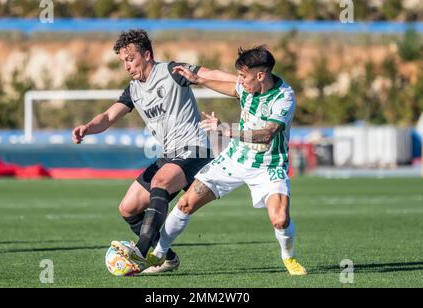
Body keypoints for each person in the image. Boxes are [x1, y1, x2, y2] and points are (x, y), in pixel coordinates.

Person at [123, 45, 307, 276]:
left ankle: (288, 258)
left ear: (261, 76)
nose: (239, 81)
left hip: (268, 165)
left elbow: (267, 134)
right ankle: (158, 254)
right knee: (185, 204)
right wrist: (198, 80)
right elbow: (232, 89)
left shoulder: (284, 97)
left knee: (280, 219)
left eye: (243, 76)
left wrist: (226, 130)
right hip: (233, 160)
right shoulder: (248, 87)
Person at [71, 29, 236, 275]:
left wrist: (242, 82)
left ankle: (141, 251)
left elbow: (209, 73)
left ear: (147, 55)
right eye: (123, 61)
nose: (127, 66)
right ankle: (167, 258)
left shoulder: (171, 71)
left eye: (130, 59)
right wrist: (88, 128)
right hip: (170, 155)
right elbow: (107, 117)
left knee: (160, 181)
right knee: (127, 208)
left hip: (194, 150)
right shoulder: (133, 89)